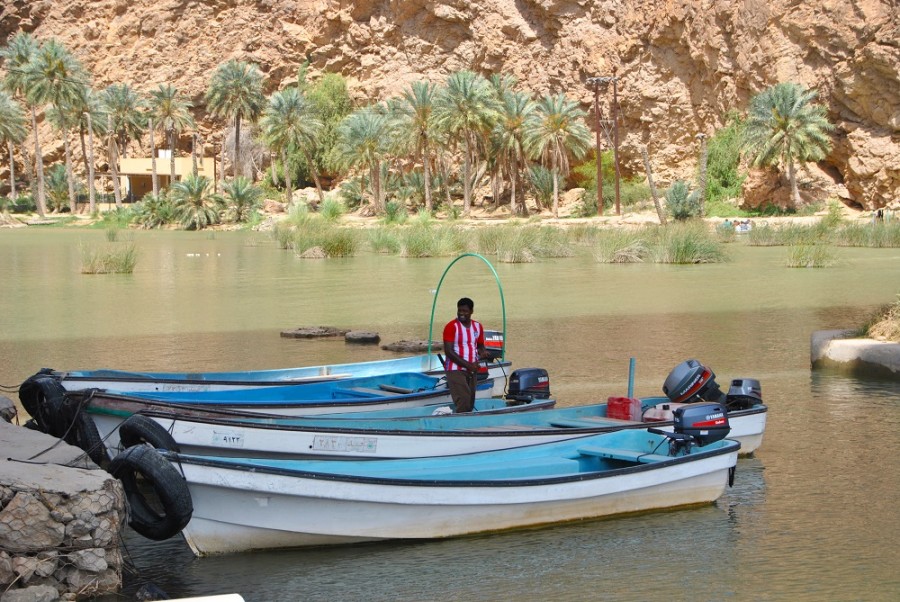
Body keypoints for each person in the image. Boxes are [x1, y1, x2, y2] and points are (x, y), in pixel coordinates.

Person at [442, 297, 487, 413]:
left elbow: (480, 345)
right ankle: (458, 427)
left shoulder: (478, 326)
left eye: (465, 311)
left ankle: (468, 425)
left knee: (470, 401)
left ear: (471, 311)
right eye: (459, 311)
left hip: (472, 369)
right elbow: (449, 351)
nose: (461, 314)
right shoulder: (451, 327)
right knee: (463, 400)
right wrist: (468, 365)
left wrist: (483, 351)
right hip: (455, 369)